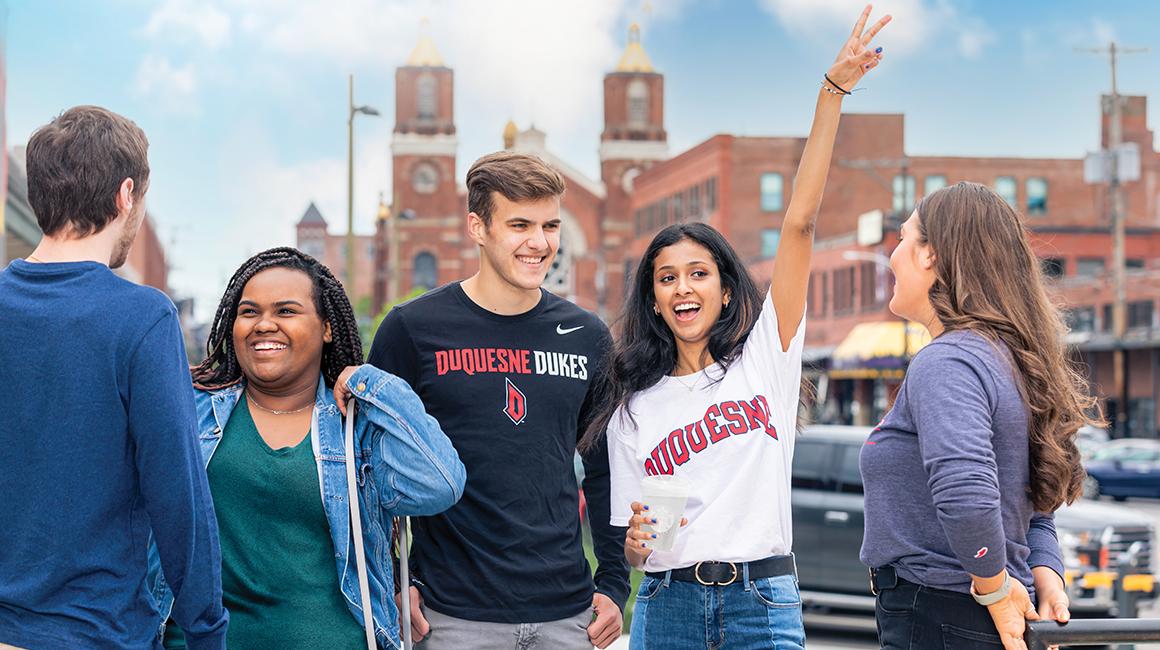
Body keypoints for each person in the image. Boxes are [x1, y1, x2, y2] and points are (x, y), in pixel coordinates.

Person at [582, 7, 890, 648]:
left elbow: (800, 225)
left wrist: (831, 94)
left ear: (725, 291)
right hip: (667, 607)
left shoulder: (765, 361)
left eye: (698, 273)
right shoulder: (633, 405)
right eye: (667, 278)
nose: (682, 287)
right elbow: (643, 546)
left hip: (762, 602)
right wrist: (636, 545)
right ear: (655, 299)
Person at [368, 152, 630, 650]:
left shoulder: (587, 335)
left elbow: (605, 469)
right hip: (451, 617)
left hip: (567, 616)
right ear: (478, 227)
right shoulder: (413, 330)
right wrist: (396, 582)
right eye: (520, 225)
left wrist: (614, 582)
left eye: (550, 225)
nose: (540, 242)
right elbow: (373, 473)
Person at [152, 247, 466, 649]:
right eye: (249, 312)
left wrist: (373, 385)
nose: (264, 324)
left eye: (286, 311)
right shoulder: (191, 410)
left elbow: (440, 484)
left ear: (327, 328)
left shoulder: (357, 426)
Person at [0, 106, 228, 648]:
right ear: (126, 195)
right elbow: (180, 497)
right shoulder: (142, 317)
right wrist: (206, 631)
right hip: (96, 631)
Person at [860, 181, 1097, 650]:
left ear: (931, 254)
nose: (893, 255)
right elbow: (1036, 504)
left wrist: (993, 585)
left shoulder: (948, 361)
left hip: (941, 613)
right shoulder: (1010, 357)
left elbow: (966, 491)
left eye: (904, 238)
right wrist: (1045, 577)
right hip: (983, 610)